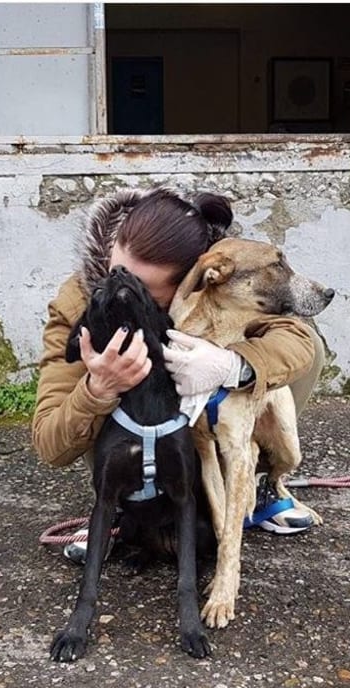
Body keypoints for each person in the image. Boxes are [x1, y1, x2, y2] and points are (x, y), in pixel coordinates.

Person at [32, 187, 325, 562]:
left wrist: (231, 365)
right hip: (135, 451)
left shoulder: (227, 275)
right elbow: (49, 444)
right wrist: (97, 389)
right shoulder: (80, 298)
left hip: (210, 437)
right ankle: (124, 507)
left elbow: (299, 340)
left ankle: (259, 482)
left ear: (196, 280)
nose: (126, 290)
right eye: (117, 272)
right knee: (101, 394)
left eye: (146, 291)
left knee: (303, 354)